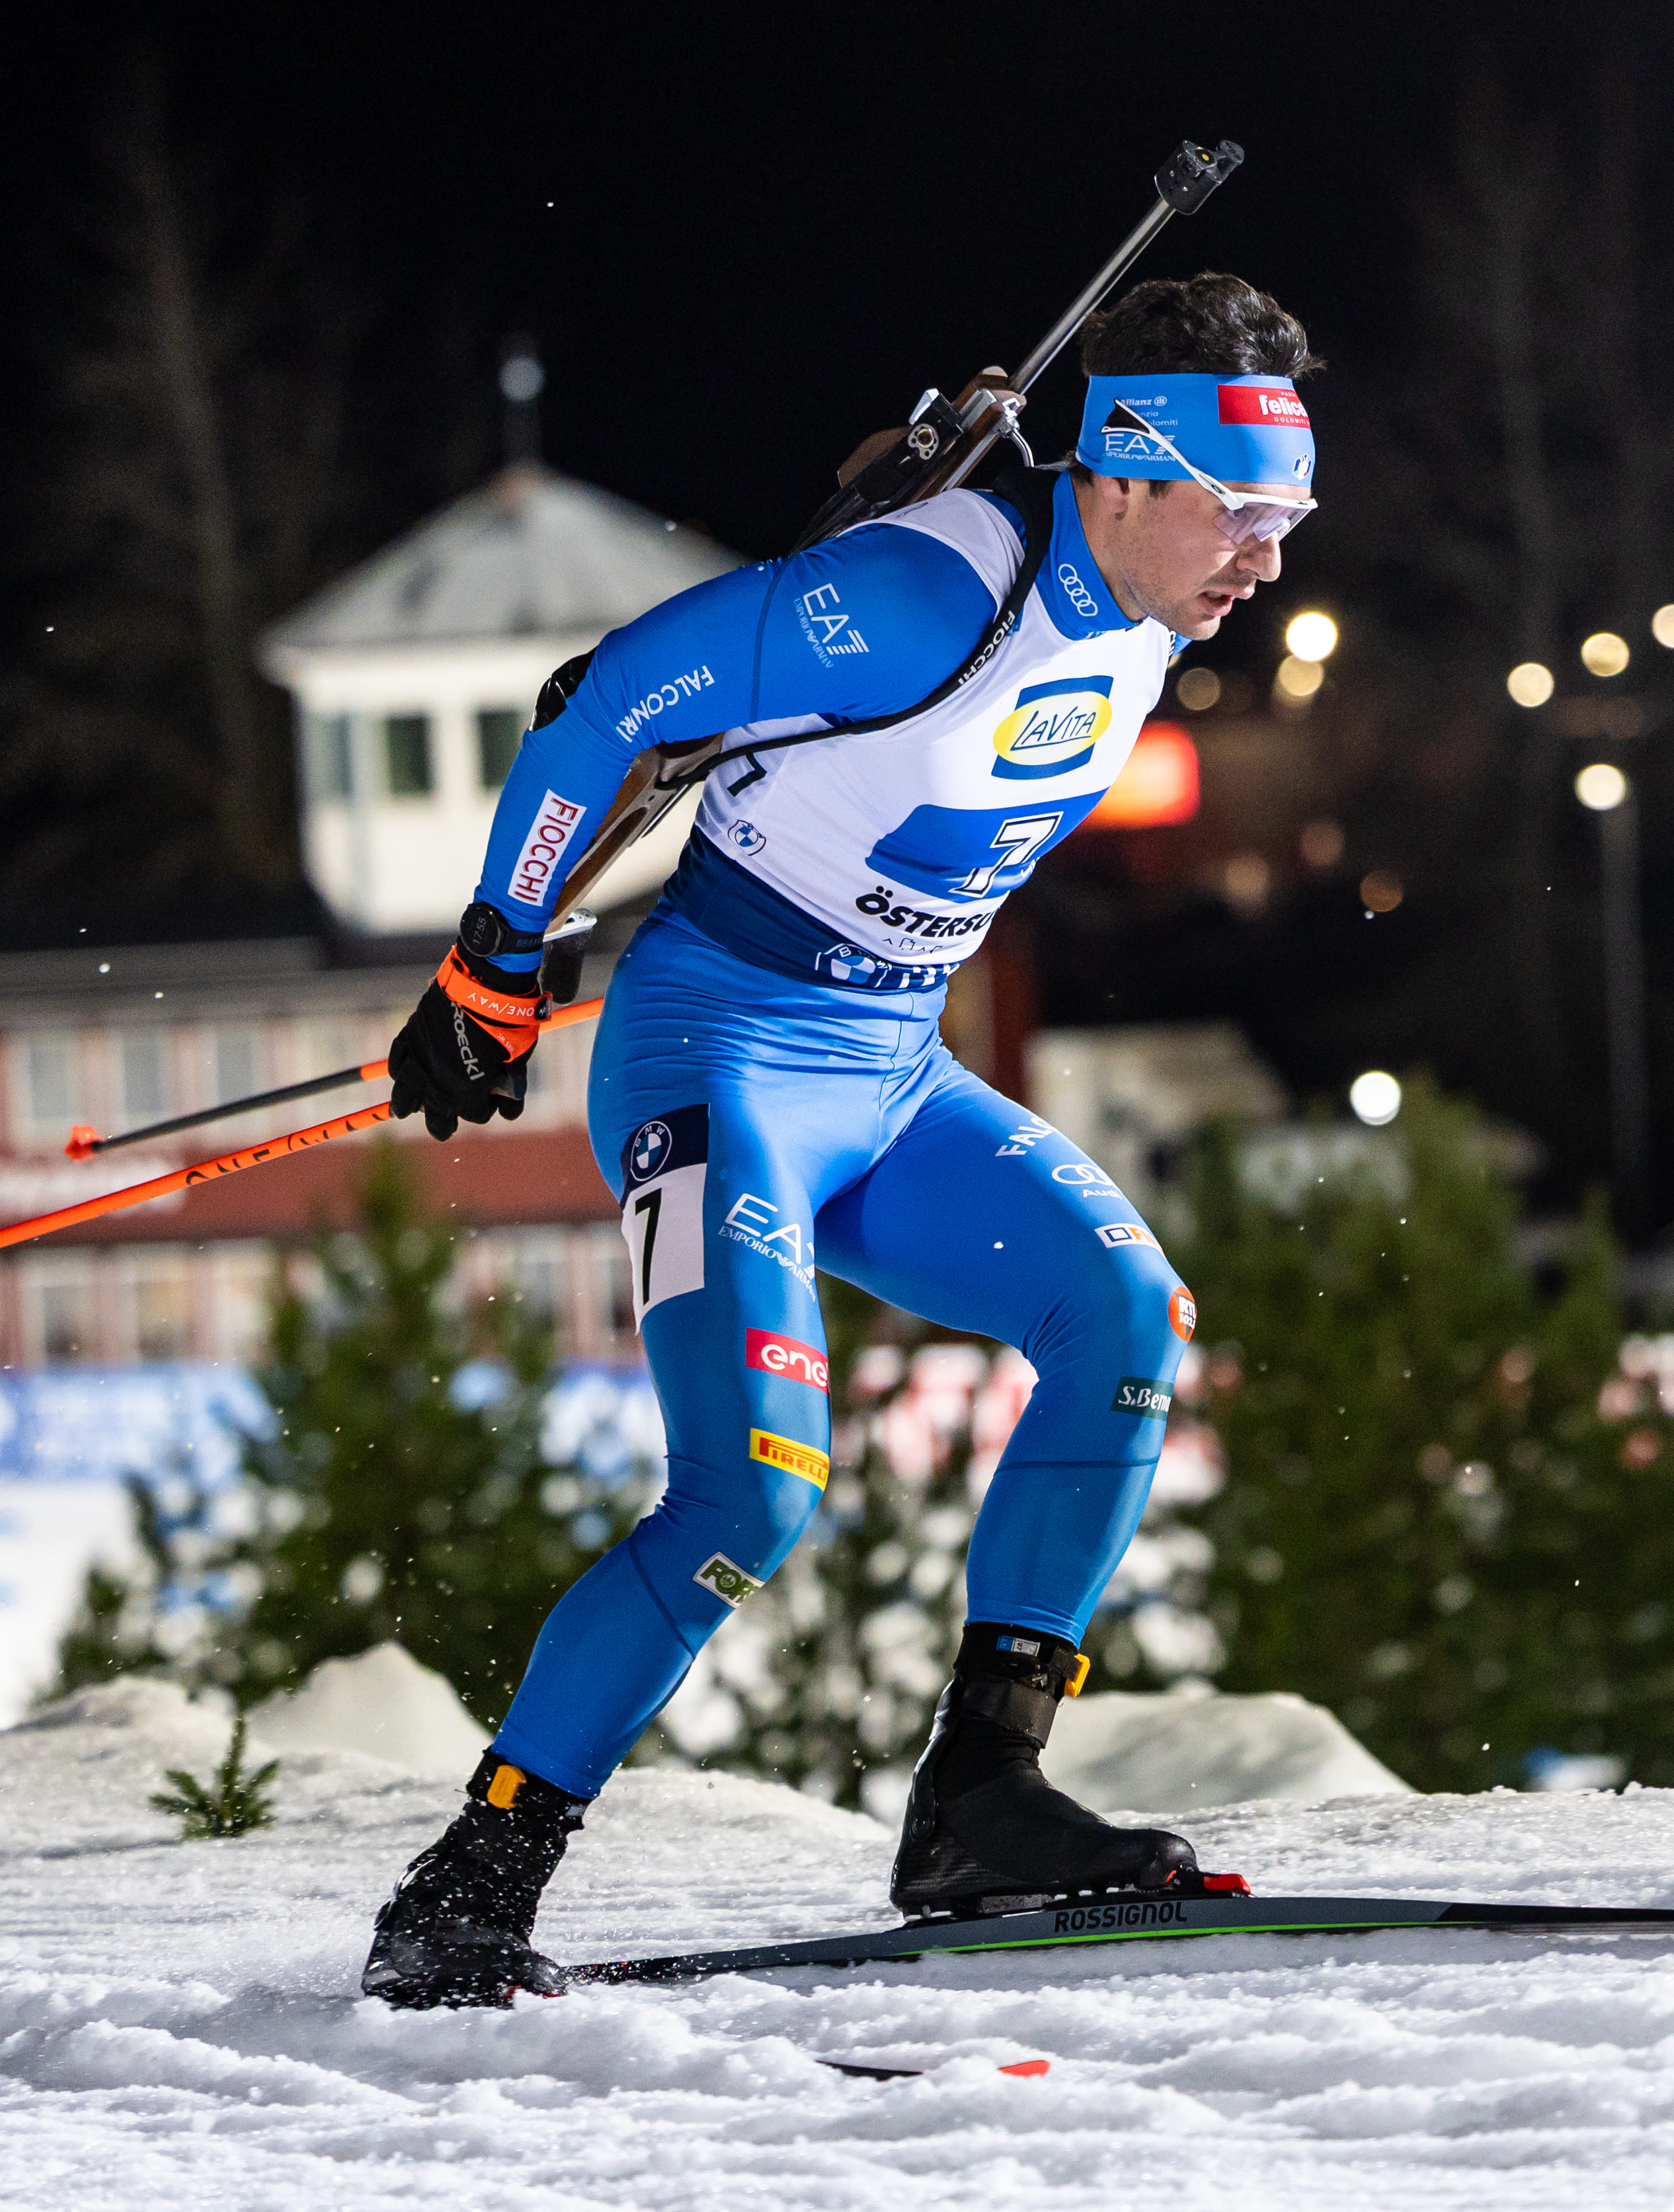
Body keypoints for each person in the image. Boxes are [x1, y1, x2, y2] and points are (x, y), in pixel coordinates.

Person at [358, 273, 1321, 2008]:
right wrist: (499, 953)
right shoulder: (914, 595)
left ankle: (983, 1802)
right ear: (1129, 465)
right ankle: (470, 1887)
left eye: (1290, 518)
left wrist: (927, 452)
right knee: (756, 1489)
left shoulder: (1144, 588)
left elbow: (988, 524)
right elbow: (604, 703)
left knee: (1123, 1319)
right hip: (715, 1059)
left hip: (890, 1068)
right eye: (1241, 512)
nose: (1267, 558)